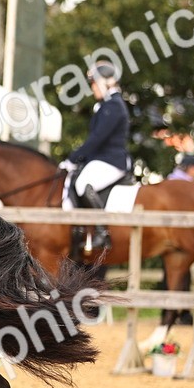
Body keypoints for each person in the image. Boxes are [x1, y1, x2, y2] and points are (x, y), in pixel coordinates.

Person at [58, 61, 131, 251]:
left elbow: (97, 139)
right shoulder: (106, 105)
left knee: (83, 184)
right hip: (101, 159)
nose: (92, 88)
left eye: (94, 83)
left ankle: (102, 232)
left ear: (107, 82)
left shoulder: (114, 106)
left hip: (111, 160)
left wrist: (73, 158)